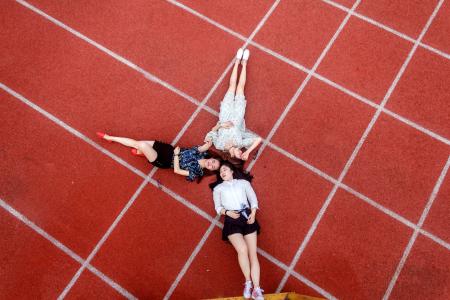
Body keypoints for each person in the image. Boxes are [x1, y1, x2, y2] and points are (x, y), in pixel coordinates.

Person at [209, 161, 264, 299]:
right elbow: (218, 208)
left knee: (253, 254)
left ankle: (257, 289)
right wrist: (228, 213)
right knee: (242, 249)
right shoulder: (218, 189)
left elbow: (253, 199)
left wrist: (253, 214)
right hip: (232, 219)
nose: (222, 172)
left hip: (247, 216)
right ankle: (248, 282)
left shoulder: (244, 183)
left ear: (232, 171)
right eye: (221, 171)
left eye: (225, 169)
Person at [205, 48, 262, 161]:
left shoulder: (219, 145)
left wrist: (221, 125)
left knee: (231, 86)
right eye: (242, 154)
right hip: (238, 115)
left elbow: (211, 132)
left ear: (231, 156)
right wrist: (248, 152)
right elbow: (258, 139)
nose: (241, 152)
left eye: (239, 155)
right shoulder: (240, 143)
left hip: (225, 114)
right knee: (240, 88)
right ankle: (244, 63)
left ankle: (237, 61)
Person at [96, 132, 220, 182]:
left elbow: (177, 170)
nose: (211, 164)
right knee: (137, 143)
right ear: (211, 158)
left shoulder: (196, 172)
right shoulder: (202, 153)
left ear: (211, 170)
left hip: (164, 161)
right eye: (213, 161)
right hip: (167, 149)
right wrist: (208, 143)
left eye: (213, 166)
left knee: (141, 144)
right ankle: (138, 152)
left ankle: (109, 137)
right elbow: (201, 147)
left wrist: (177, 155)